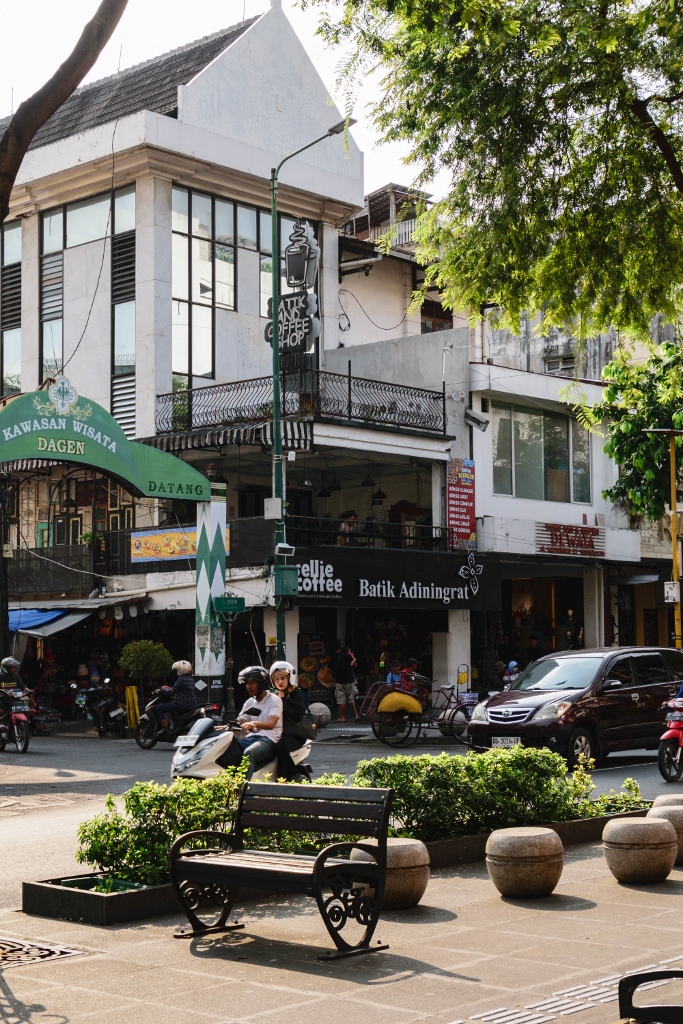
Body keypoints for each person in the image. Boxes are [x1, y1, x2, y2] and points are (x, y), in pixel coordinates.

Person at [235, 665, 283, 779]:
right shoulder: (250, 702)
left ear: (261, 684)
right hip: (252, 737)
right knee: (229, 747)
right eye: (246, 683)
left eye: (252, 683)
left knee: (249, 753)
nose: (248, 686)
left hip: (270, 739)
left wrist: (254, 723)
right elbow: (240, 720)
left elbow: (271, 724)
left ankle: (243, 789)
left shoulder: (274, 700)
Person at [270, 660, 309, 781]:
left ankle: (287, 776)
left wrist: (283, 701)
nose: (280, 682)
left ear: (289, 678)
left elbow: (297, 715)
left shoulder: (296, 693)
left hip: (294, 734)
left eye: (283, 678)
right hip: (278, 732)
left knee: (282, 745)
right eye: (276, 679)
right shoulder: (275, 695)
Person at [153, 660, 198, 732]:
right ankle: (174, 725)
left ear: (181, 669)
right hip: (191, 704)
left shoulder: (181, 679)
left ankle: (165, 729)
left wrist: (161, 690)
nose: (176, 671)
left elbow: (172, 691)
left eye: (177, 669)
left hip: (181, 705)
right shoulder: (191, 679)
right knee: (172, 703)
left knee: (159, 708)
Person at [330, 644, 359, 722]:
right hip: (349, 680)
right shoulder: (349, 657)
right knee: (352, 697)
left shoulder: (334, 657)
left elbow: (330, 668)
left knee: (341, 700)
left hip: (339, 681)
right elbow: (355, 666)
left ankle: (342, 718)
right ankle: (357, 715)